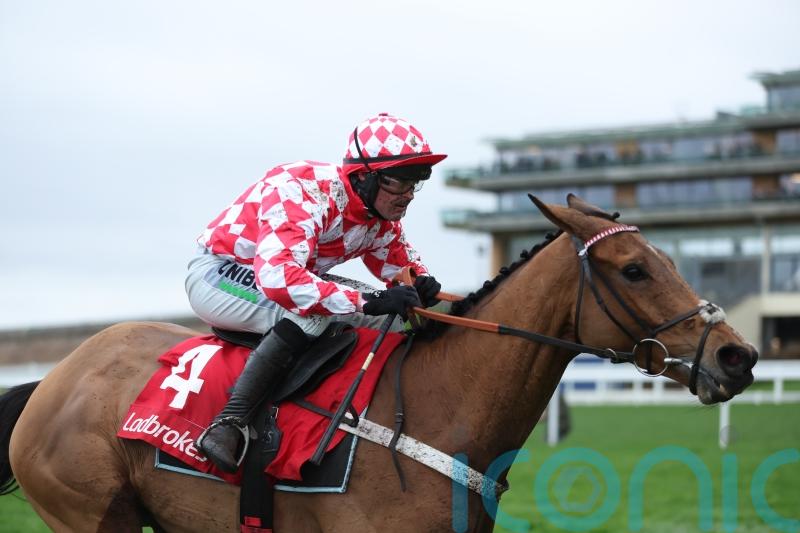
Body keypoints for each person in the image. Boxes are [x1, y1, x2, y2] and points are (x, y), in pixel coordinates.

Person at [185, 112, 446, 472]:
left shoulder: (377, 215)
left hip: (281, 276)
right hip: (219, 274)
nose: (408, 195)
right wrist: (366, 301)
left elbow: (398, 266)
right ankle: (228, 423)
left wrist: (420, 282)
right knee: (313, 314)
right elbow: (280, 280)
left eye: (415, 182)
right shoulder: (302, 189)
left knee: (394, 315)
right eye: (399, 182)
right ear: (364, 177)